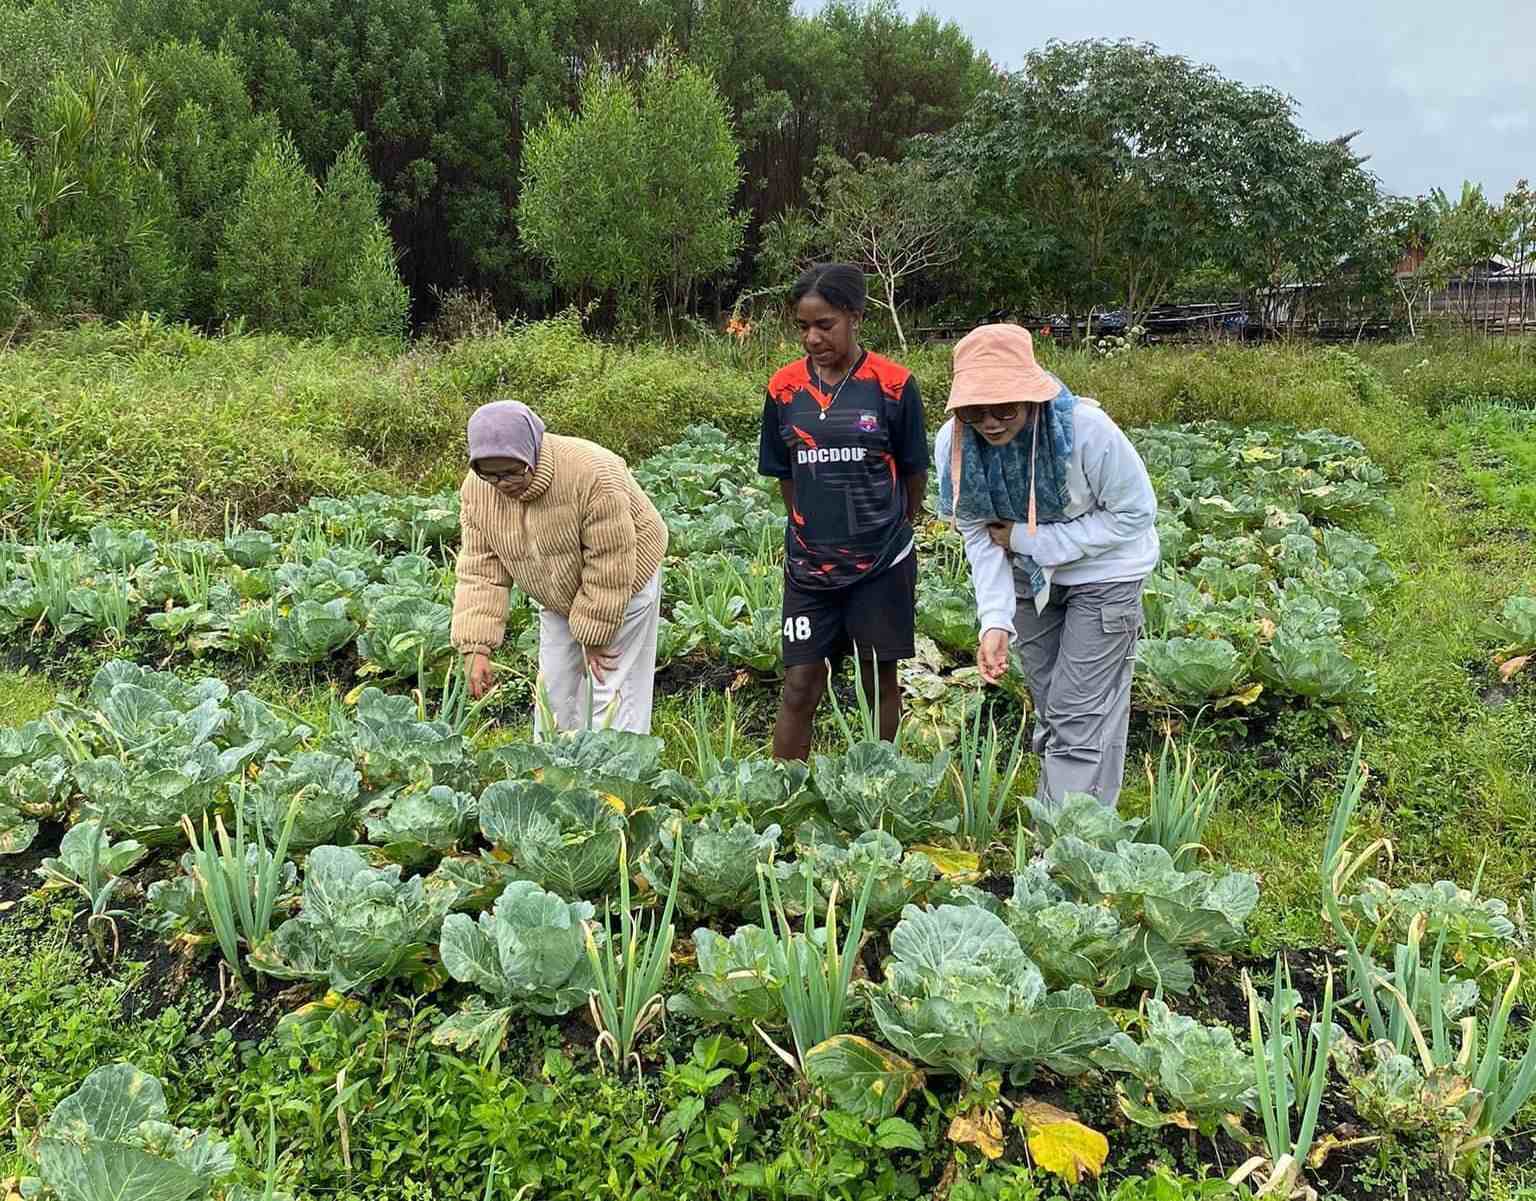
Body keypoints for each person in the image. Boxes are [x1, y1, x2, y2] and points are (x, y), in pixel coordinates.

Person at [935, 324, 1159, 808]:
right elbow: (979, 532)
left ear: (1032, 398)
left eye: (1005, 409)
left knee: (1079, 712)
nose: (991, 422)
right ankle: (1088, 815)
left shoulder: (1084, 431)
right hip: (1029, 577)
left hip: (1105, 573)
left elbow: (1136, 514)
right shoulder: (953, 446)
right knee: (1058, 708)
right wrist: (994, 621)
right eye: (976, 412)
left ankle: (1059, 849)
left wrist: (1029, 537)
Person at [758, 263, 929, 760]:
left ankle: (881, 787)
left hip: (881, 564)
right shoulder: (784, 389)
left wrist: (891, 525)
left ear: (855, 316)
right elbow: (784, 473)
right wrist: (809, 527)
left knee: (879, 681)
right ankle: (783, 793)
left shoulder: (893, 384)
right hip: (809, 567)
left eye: (825, 324)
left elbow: (913, 471)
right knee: (799, 684)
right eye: (803, 327)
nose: (812, 338)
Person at [450, 399, 669, 735]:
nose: (503, 483)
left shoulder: (593, 473)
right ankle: (553, 772)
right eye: (490, 474)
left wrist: (596, 632)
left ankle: (617, 776)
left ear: (533, 451)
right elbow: (481, 570)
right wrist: (476, 647)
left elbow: (610, 559)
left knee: (608, 685)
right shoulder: (478, 490)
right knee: (555, 686)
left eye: (512, 471)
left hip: (625, 575)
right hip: (554, 587)